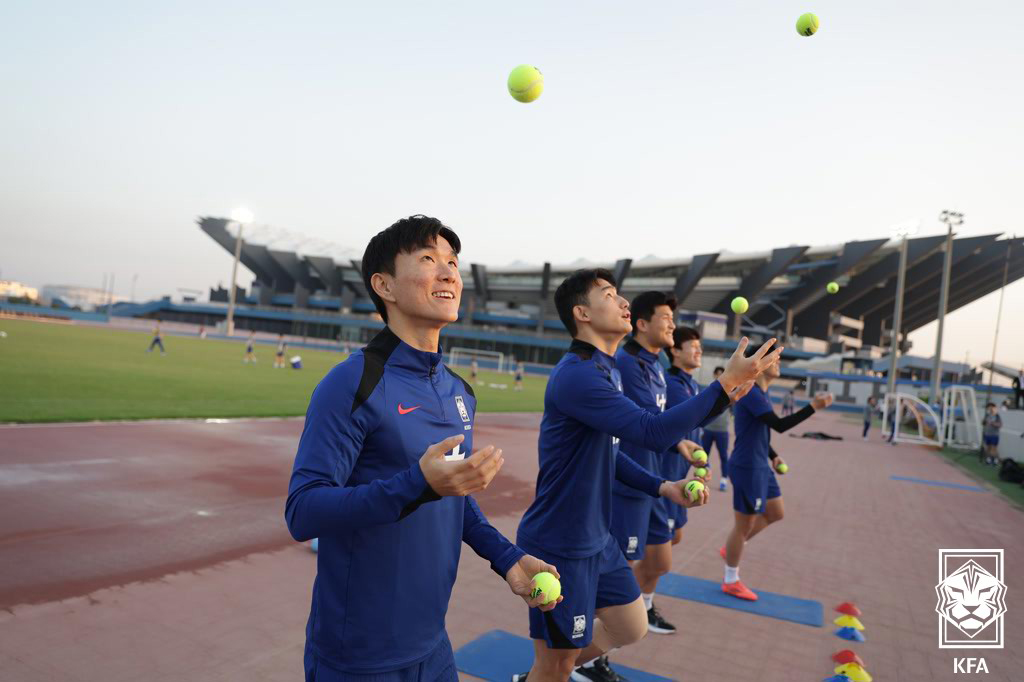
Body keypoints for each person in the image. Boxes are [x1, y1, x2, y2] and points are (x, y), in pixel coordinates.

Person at [285, 216, 561, 682]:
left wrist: (507, 558)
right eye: (429, 260)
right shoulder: (353, 382)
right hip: (359, 657)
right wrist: (416, 483)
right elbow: (303, 510)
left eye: (453, 262)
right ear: (384, 286)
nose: (449, 272)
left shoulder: (459, 392)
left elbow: (451, 496)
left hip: (432, 646)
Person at [512, 269, 779, 682]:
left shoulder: (607, 370)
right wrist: (725, 384)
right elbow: (652, 432)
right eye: (610, 294)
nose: (623, 303)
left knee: (631, 626)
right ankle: (547, 671)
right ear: (581, 313)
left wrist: (665, 485)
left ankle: (547, 670)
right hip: (560, 542)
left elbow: (612, 453)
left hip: (597, 537)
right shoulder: (578, 375)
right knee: (558, 663)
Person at [606, 293, 699, 648]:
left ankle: (642, 608)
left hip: (653, 477)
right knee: (620, 573)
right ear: (642, 324)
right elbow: (649, 423)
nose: (673, 324)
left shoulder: (655, 365)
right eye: (666, 318)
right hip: (629, 483)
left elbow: (657, 422)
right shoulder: (627, 363)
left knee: (661, 558)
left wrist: (680, 444)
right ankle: (597, 653)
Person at [720, 344, 833, 602]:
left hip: (760, 463)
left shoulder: (761, 392)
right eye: (774, 359)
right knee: (743, 525)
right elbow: (780, 425)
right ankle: (730, 579)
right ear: (759, 364)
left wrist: (773, 455)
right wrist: (813, 407)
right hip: (748, 466)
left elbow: (759, 432)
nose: (778, 362)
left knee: (775, 511)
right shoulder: (752, 393)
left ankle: (731, 549)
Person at [701, 366, 732, 492]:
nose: (719, 376)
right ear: (714, 375)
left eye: (722, 374)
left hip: (722, 431)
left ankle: (724, 480)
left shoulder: (730, 391)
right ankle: (702, 478)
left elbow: (734, 410)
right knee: (703, 456)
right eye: (718, 374)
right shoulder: (709, 390)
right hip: (708, 429)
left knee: (723, 456)